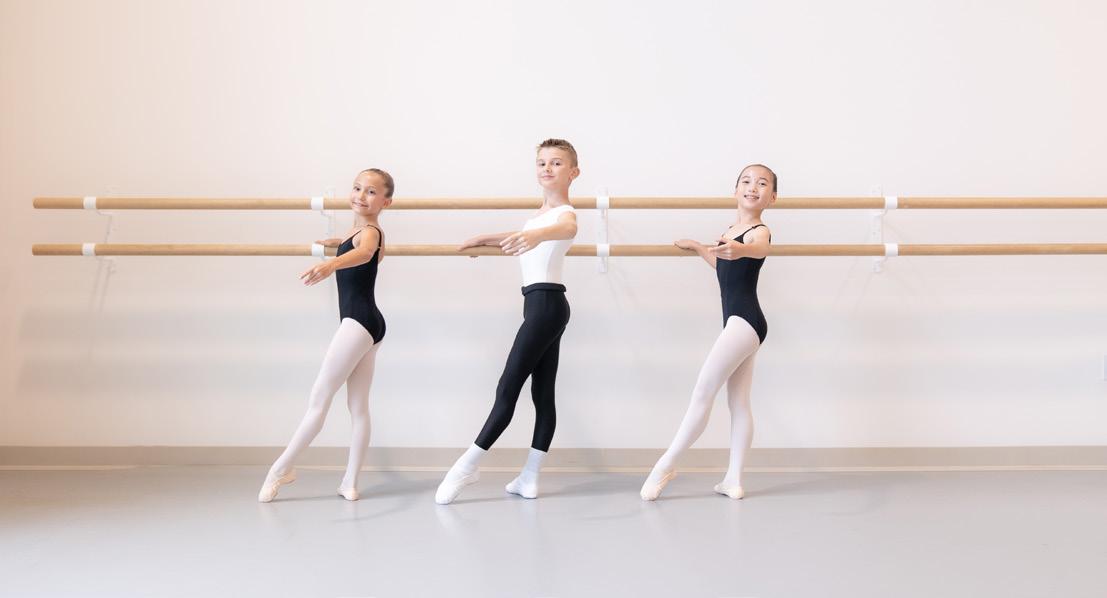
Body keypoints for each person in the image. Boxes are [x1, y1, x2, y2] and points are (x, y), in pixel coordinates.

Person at [435, 139, 580, 504]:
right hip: (544, 306)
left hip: (546, 306)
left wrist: (535, 234)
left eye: (556, 163)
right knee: (542, 394)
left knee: (507, 388)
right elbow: (526, 235)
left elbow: (567, 229)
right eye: (542, 162)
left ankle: (467, 466)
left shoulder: (564, 213)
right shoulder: (540, 214)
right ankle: (529, 477)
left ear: (573, 173)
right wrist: (486, 239)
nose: (547, 168)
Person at [640, 164, 775, 501]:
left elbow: (760, 248)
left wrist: (741, 249)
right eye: (746, 181)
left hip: (744, 322)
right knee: (738, 402)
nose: (752, 187)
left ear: (772, 197)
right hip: (744, 324)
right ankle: (733, 480)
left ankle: (665, 465)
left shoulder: (758, 231)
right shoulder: (732, 230)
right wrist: (701, 247)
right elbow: (724, 268)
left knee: (703, 392)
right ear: (735, 190)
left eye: (762, 184)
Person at [258, 168, 394, 502]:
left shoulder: (370, 232)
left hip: (358, 322)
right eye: (357, 188)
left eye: (371, 192)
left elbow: (365, 252)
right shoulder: (361, 231)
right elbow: (357, 246)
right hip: (371, 323)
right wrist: (338, 245)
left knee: (319, 400)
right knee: (358, 407)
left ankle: (280, 469)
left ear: (386, 202)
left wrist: (330, 264)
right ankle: (350, 483)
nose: (361, 196)